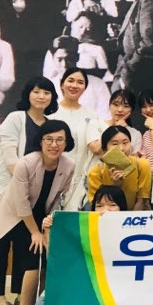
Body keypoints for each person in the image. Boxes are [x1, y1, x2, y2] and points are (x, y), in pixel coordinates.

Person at [0, 119, 75, 305]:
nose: (54, 144)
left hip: (42, 214)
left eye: (60, 140)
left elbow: (59, 198)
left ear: (67, 142)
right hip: (16, 214)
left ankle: (30, 301)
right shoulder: (26, 163)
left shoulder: (68, 165)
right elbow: (21, 202)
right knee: (26, 252)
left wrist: (47, 226)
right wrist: (35, 232)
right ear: (41, 141)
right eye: (49, 139)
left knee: (41, 254)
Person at [0, 77, 58, 305]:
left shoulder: (50, 124)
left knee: (26, 244)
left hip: (31, 196)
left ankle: (20, 295)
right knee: (1, 242)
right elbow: (10, 158)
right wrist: (26, 182)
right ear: (28, 94)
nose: (41, 97)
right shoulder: (15, 118)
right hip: (4, 190)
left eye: (46, 93)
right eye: (37, 92)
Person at [28, 186, 128, 305]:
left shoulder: (131, 234)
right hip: (81, 295)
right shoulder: (82, 231)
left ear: (123, 208)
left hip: (110, 303)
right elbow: (58, 261)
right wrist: (49, 231)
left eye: (112, 205)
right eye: (99, 205)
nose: (105, 210)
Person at [49, 66, 99, 210]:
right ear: (62, 84)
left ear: (85, 88)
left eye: (80, 82)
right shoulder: (50, 113)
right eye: (70, 80)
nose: (75, 85)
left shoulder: (91, 115)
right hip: (53, 175)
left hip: (80, 177)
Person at [87, 125, 153, 211]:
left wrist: (128, 219)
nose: (121, 148)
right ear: (105, 149)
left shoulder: (142, 164)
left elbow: (141, 201)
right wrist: (115, 185)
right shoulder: (96, 172)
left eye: (125, 143)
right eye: (115, 144)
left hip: (136, 215)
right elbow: (98, 206)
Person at [46, 35, 110, 118]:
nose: (64, 65)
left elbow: (106, 118)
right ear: (53, 59)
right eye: (59, 59)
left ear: (77, 57)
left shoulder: (97, 85)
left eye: (69, 59)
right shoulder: (47, 88)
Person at [88, 90, 143, 157]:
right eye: (116, 105)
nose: (120, 110)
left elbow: (135, 160)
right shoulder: (95, 124)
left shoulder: (135, 134)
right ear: (109, 106)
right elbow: (96, 149)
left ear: (131, 110)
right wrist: (115, 128)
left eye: (126, 106)